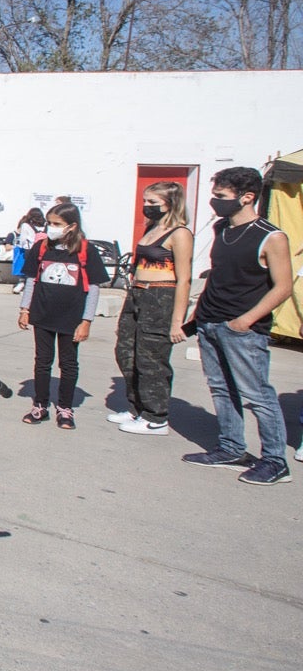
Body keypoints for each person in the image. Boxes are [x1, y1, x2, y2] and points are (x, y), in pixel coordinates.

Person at [182, 167, 294, 485]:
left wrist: (245, 321)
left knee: (257, 394)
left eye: (221, 196)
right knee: (221, 389)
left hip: (242, 330)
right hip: (210, 323)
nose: (214, 202)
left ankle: (275, 460)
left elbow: (282, 287)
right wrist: (197, 319)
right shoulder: (222, 229)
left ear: (247, 197)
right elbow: (217, 275)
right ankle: (231, 448)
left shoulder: (271, 237)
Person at [16, 202, 109, 430]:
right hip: (43, 314)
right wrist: (24, 309)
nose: (51, 227)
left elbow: (94, 287)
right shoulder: (41, 248)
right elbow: (31, 280)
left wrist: (87, 321)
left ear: (71, 226)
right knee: (42, 361)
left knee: (68, 363)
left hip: (71, 318)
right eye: (49, 223)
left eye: (57, 224)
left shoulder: (86, 250)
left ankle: (65, 408)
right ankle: (40, 404)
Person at [113, 182, 193, 436]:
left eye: (152, 202)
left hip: (161, 295)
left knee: (151, 359)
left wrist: (177, 320)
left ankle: (156, 416)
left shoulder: (180, 233)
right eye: (145, 201)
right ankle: (138, 408)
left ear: (170, 203)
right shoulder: (152, 228)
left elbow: (184, 279)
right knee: (126, 351)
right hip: (138, 293)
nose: (146, 207)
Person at [11, 208, 44, 295]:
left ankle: (22, 283)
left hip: (29, 250)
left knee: (27, 269)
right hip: (42, 249)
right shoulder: (45, 226)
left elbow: (22, 240)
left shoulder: (26, 225)